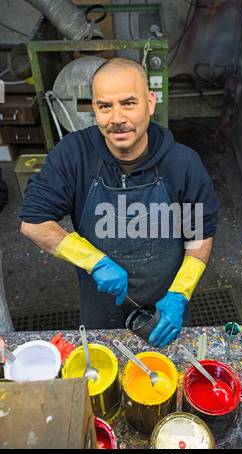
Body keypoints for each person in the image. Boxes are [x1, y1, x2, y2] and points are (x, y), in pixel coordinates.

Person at [19, 57, 219, 347]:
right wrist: (96, 261)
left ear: (149, 103)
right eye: (105, 106)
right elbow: (34, 222)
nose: (116, 118)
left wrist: (179, 295)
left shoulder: (184, 164)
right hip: (100, 313)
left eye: (128, 103)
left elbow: (199, 234)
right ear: (94, 108)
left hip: (167, 313)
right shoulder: (73, 156)